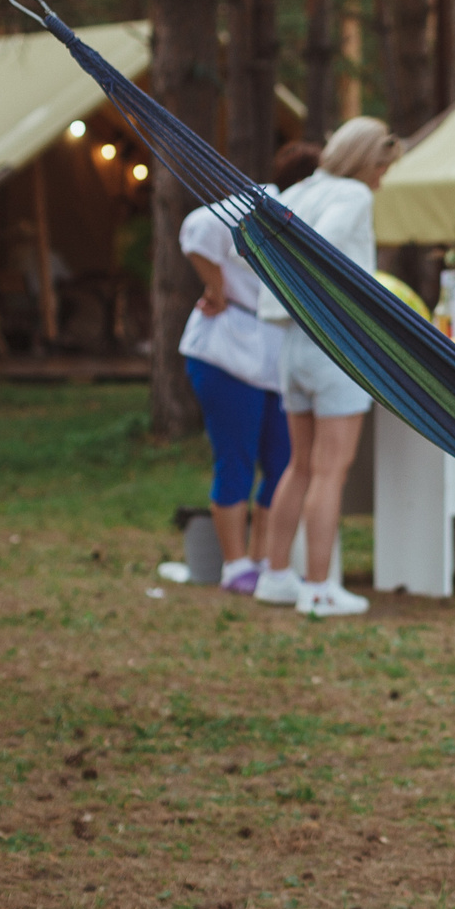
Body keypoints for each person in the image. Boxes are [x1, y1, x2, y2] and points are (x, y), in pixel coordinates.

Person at [253, 118, 402, 619]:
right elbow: (322, 244)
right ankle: (318, 587)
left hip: (292, 343)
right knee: (330, 471)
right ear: (368, 162)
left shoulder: (302, 189)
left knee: (300, 464)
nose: (383, 179)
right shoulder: (353, 196)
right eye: (383, 167)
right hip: (335, 343)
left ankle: (276, 576)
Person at [175, 152, 301, 592]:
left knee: (283, 460)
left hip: (273, 354)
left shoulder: (314, 212)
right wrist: (216, 287)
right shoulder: (261, 203)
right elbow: (196, 229)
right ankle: (235, 564)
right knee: (236, 459)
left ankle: (266, 559)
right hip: (225, 350)